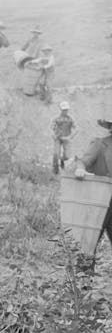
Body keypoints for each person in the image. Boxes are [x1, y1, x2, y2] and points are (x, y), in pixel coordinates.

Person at [75, 118, 112, 265]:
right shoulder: (100, 144)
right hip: (100, 199)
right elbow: (83, 161)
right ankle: (84, 280)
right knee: (90, 239)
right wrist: (80, 169)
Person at [52, 102, 77, 175]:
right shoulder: (57, 118)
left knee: (67, 156)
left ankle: (62, 161)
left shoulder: (70, 119)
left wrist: (70, 137)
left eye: (66, 110)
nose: (65, 111)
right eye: (63, 110)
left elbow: (77, 129)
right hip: (58, 138)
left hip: (66, 138)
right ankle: (55, 171)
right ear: (61, 110)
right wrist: (53, 135)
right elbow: (51, 128)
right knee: (56, 154)